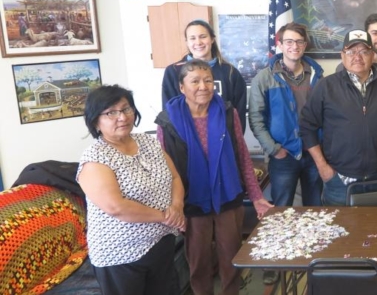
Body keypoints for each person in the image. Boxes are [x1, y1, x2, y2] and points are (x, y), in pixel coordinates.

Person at [155, 60, 272, 295]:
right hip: (192, 201)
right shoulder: (167, 120)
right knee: (199, 263)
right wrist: (171, 207)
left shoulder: (228, 112)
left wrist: (257, 196)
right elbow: (163, 169)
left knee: (231, 258)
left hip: (228, 196)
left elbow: (242, 157)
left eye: (208, 80)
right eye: (195, 81)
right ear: (181, 87)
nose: (203, 86)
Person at [76, 85, 185, 295]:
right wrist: (165, 216)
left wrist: (177, 206)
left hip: (161, 242)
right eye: (111, 113)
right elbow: (117, 207)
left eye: (126, 109)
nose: (122, 117)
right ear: (95, 121)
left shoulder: (147, 141)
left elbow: (174, 177)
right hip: (120, 256)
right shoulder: (95, 158)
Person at [300, 29, 377, 206]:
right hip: (339, 180)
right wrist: (322, 167)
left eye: (364, 51)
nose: (357, 56)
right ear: (342, 55)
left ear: (372, 55)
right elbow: (307, 126)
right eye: (351, 51)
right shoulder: (326, 86)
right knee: (340, 233)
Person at [250, 22, 325, 208]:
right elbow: (256, 119)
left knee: (314, 208)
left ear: (305, 45)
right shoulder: (264, 78)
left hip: (314, 153)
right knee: (281, 209)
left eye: (299, 42)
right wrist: (274, 150)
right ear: (280, 45)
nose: (295, 46)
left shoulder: (317, 75)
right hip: (283, 155)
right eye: (289, 41)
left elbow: (326, 115)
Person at [161, 19, 247, 133]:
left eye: (203, 36)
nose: (198, 42)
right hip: (186, 141)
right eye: (192, 38)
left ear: (212, 39)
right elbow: (169, 112)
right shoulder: (173, 71)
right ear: (187, 42)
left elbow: (239, 114)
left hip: (223, 140)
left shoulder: (230, 72)